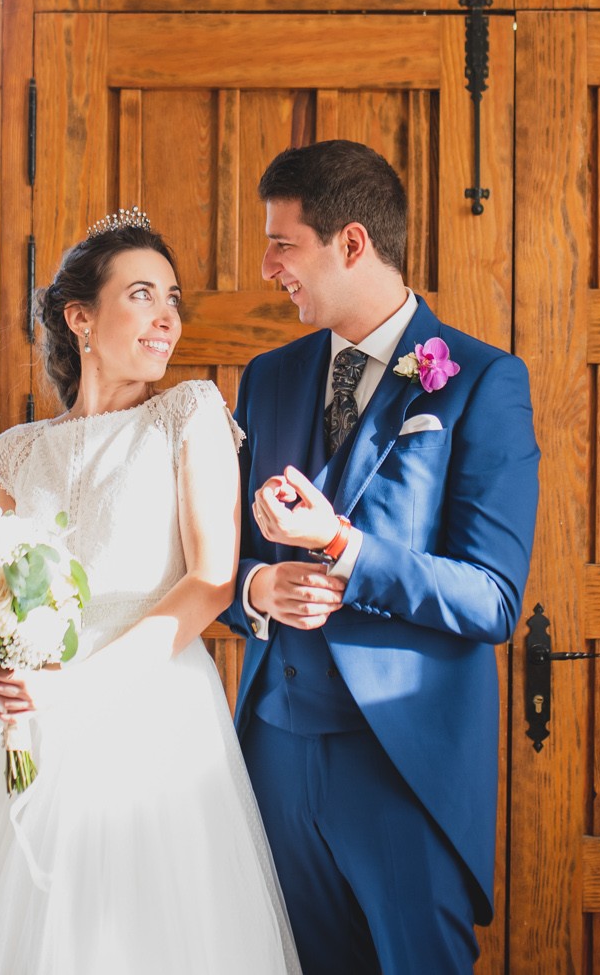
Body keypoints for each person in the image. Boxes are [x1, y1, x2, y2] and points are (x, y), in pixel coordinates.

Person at [0, 211, 301, 975]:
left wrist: (75, 685)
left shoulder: (191, 414)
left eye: (173, 299)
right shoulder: (16, 452)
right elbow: (2, 595)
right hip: (31, 721)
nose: (167, 317)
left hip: (153, 712)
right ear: (80, 316)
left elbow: (213, 580)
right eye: (144, 294)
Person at [227, 140, 541, 975]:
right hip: (273, 754)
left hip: (403, 763)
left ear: (353, 243)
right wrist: (259, 585)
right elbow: (213, 562)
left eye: (282, 243)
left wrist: (341, 545)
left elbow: (493, 597)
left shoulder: (480, 381)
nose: (267, 266)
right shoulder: (267, 379)